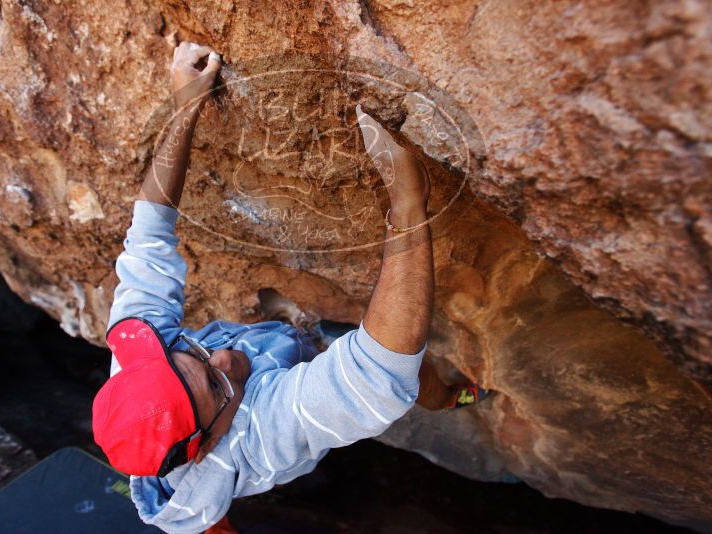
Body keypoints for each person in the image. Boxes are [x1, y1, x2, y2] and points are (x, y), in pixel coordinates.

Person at [92, 42, 488, 534]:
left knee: (194, 498)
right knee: (414, 379)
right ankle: (452, 399)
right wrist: (407, 204)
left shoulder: (140, 357)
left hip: (209, 420)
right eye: (217, 385)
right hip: (262, 411)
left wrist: (185, 106)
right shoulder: (263, 437)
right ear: (213, 438)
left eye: (192, 354)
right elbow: (377, 378)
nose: (221, 359)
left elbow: (148, 232)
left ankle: (202, 512)